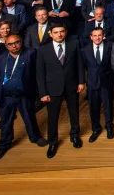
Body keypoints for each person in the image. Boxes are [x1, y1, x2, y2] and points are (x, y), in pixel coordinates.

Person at [0, 34, 47, 161]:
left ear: (21, 42)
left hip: (24, 94)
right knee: (6, 121)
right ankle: (4, 144)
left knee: (29, 117)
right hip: (7, 96)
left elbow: (37, 71)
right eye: (10, 44)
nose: (14, 46)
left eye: (16, 42)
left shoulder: (31, 53)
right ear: (6, 46)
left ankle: (35, 137)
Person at [36, 24, 84, 158]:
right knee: (53, 117)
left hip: (71, 86)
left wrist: (81, 81)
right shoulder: (43, 50)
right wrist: (43, 93)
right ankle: (53, 142)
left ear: (66, 32)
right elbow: (40, 74)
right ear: (51, 34)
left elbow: (79, 64)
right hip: (52, 88)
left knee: (74, 113)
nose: (59, 35)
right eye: (56, 32)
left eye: (62, 31)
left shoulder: (74, 44)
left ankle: (75, 136)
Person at [81, 27, 114, 143]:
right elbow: (85, 67)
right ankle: (96, 129)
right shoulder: (85, 50)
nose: (97, 38)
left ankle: (109, 127)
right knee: (94, 108)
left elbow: (113, 63)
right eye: (95, 36)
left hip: (106, 82)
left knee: (108, 106)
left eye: (99, 35)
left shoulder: (110, 46)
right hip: (92, 83)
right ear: (91, 37)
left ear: (103, 35)